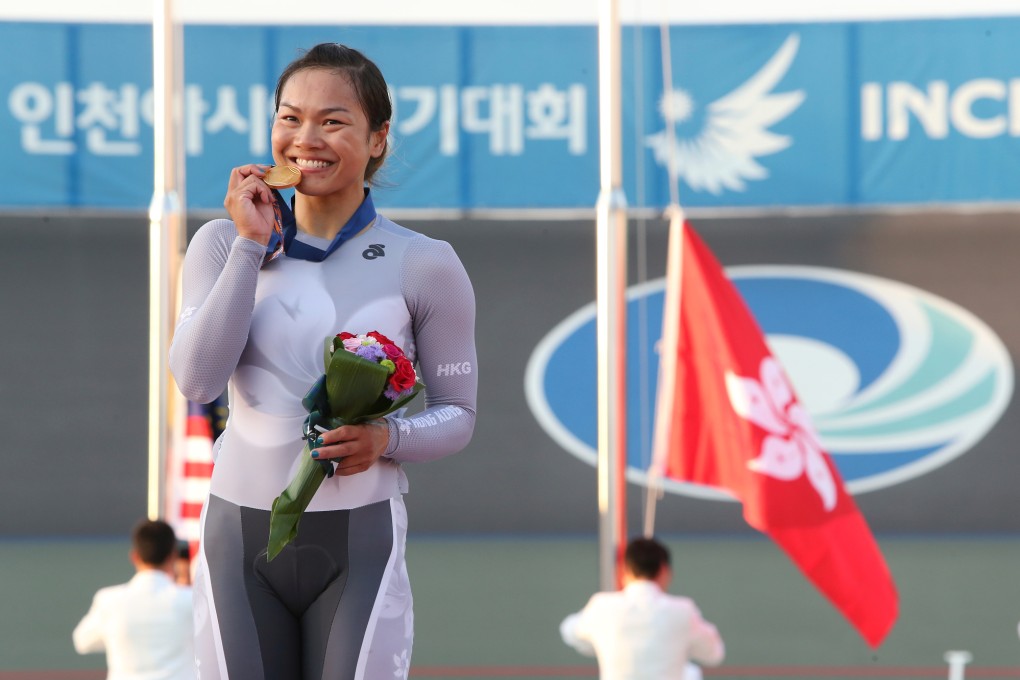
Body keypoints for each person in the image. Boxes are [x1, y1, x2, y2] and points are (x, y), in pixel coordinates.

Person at [169, 42, 477, 680]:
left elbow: (459, 414)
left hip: (358, 540)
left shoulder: (426, 263)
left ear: (378, 138)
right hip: (237, 536)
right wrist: (252, 247)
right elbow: (197, 379)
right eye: (290, 118)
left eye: (333, 121)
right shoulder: (220, 242)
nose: (305, 138)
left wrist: (386, 436)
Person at [560, 537, 725, 680]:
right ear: (664, 571)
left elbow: (569, 630)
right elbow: (714, 653)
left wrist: (598, 641)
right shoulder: (683, 611)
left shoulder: (602, 607)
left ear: (624, 570)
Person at [72, 519, 196, 680]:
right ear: (173, 556)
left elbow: (83, 642)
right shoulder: (190, 599)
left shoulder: (109, 601)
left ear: (135, 556)